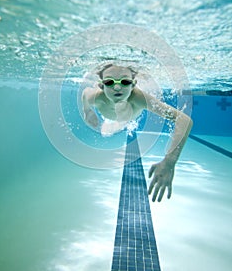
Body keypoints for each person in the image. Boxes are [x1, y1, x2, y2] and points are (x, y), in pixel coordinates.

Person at [82, 64, 193, 202]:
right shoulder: (96, 97)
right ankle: (115, 125)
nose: (117, 87)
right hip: (114, 118)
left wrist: (170, 162)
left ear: (133, 85)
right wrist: (88, 112)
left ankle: (118, 124)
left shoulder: (139, 98)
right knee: (108, 130)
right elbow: (85, 93)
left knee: (116, 126)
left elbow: (184, 120)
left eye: (125, 82)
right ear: (101, 86)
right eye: (109, 82)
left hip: (129, 117)